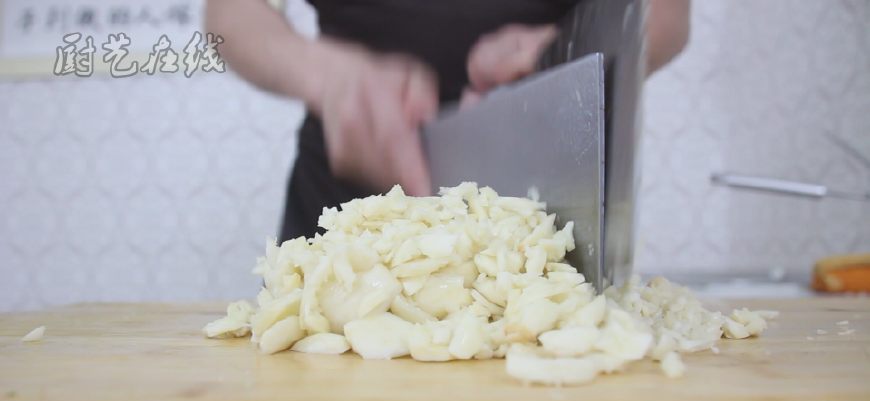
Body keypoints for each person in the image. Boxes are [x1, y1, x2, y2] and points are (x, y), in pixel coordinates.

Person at [206, 0, 690, 242]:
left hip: (551, 220)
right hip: (345, 217)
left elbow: (666, 14)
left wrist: (556, 50)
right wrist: (324, 75)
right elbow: (230, 14)